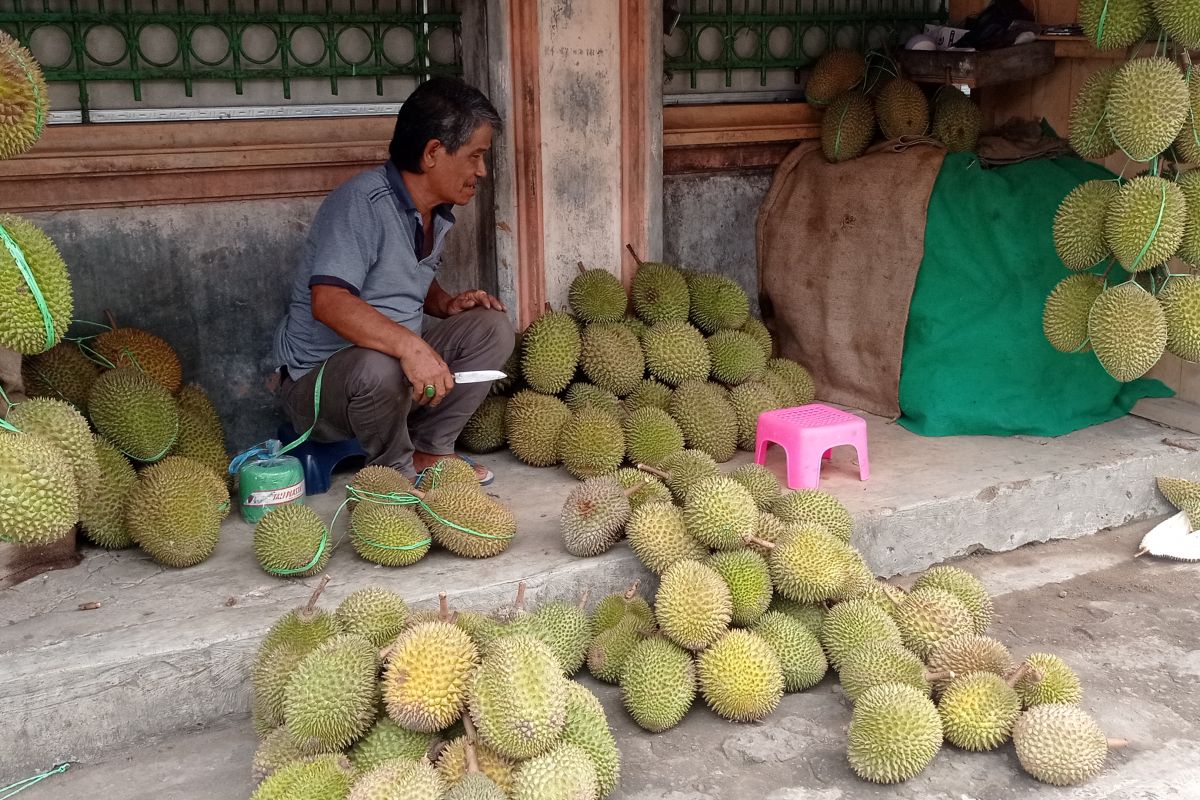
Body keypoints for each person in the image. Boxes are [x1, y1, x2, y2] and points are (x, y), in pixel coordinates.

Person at [271, 76, 514, 485]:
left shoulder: (435, 213)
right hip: (321, 391)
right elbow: (328, 300)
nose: (482, 171)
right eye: (475, 156)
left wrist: (444, 304)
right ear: (434, 152)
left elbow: (404, 276)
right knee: (378, 364)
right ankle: (392, 474)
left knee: (492, 328)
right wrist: (410, 347)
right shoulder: (362, 203)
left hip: (395, 380)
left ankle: (429, 449)